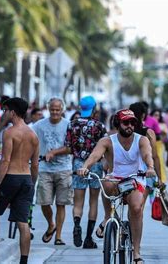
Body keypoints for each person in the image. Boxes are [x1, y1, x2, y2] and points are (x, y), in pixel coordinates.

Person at [77, 109, 156, 264]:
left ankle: (136, 253)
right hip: (116, 179)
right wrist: (85, 167)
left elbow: (147, 155)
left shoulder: (141, 140)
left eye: (133, 123)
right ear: (118, 124)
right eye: (126, 122)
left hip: (136, 179)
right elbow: (94, 155)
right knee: (105, 181)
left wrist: (151, 167)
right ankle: (108, 217)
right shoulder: (107, 141)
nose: (130, 126)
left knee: (136, 209)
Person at [0, 98, 39, 264]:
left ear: (13, 112)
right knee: (23, 222)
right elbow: (34, 165)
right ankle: (24, 261)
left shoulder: (10, 133)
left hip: (10, 177)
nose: (4, 113)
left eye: (5, 110)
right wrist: (32, 184)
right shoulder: (33, 135)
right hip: (26, 179)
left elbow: (5, 161)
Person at [48, 96, 106, 248]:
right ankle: (88, 238)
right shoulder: (99, 125)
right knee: (93, 201)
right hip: (96, 165)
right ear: (94, 108)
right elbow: (104, 148)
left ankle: (76, 225)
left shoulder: (72, 124)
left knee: (78, 201)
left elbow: (68, 147)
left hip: (78, 165)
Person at [31, 97, 72, 246]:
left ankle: (59, 236)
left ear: (62, 110)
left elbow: (71, 147)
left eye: (58, 109)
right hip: (44, 168)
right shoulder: (39, 125)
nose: (55, 112)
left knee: (61, 203)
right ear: (48, 109)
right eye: (52, 109)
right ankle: (51, 224)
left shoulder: (68, 125)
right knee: (44, 202)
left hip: (64, 168)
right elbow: (29, 138)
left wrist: (53, 152)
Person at [151, 109, 168, 183]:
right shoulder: (149, 123)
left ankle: (162, 178)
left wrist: (162, 137)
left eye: (158, 115)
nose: (157, 117)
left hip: (159, 144)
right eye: (155, 115)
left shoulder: (162, 124)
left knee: (160, 160)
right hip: (151, 145)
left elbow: (166, 134)